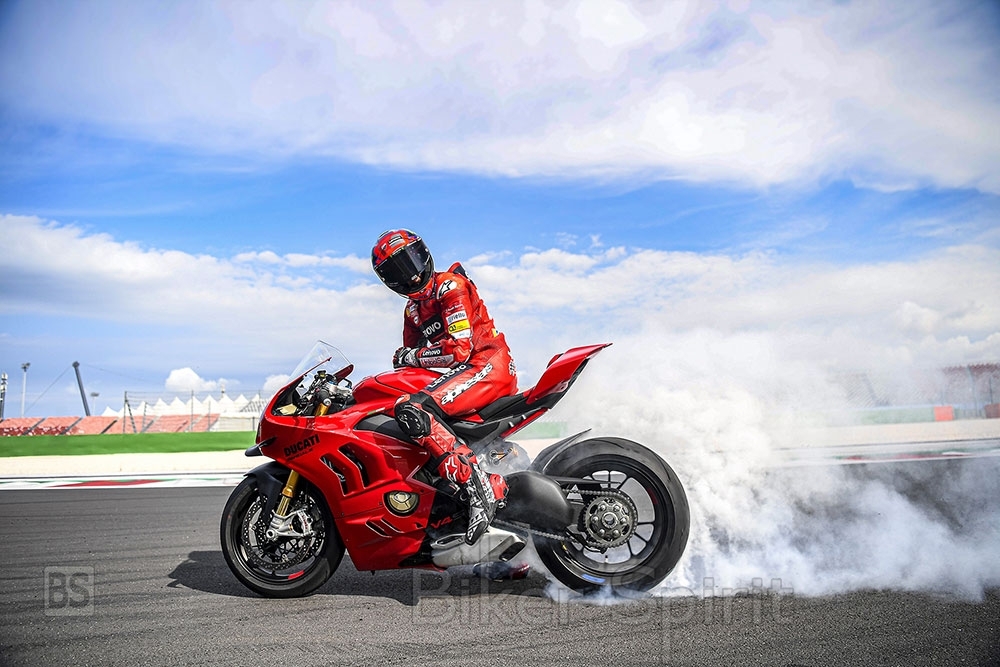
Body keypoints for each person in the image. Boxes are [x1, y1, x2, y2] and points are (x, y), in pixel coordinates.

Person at [371, 229, 518, 545]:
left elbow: (458, 351)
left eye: (411, 261)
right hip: (466, 373)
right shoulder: (412, 311)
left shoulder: (450, 287)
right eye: (398, 271)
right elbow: (409, 367)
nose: (411, 275)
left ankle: (478, 487)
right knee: (401, 406)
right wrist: (408, 360)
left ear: (423, 254)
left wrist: (411, 356)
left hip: (486, 365)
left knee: (414, 409)